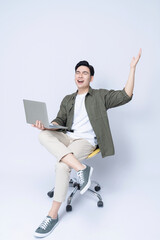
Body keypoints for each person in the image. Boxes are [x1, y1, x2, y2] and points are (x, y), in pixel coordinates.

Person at [32, 49, 142, 238]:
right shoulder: (68, 99)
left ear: (91, 78)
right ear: (74, 76)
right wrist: (48, 126)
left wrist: (132, 68)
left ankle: (52, 215)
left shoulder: (100, 96)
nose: (80, 75)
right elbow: (60, 120)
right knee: (42, 136)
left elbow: (126, 95)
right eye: (77, 72)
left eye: (85, 73)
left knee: (61, 166)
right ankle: (81, 168)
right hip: (67, 136)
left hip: (86, 141)